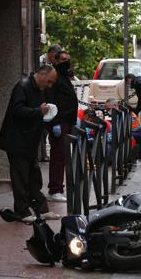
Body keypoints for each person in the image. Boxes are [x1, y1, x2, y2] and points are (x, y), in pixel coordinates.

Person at [0, 65, 59, 223]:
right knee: (21, 177)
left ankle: (41, 209)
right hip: (17, 141)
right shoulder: (22, 86)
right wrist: (39, 111)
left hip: (29, 141)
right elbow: (17, 110)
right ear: (42, 75)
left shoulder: (38, 89)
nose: (49, 85)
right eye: (49, 81)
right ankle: (22, 211)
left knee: (33, 176)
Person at [46, 52, 78, 202]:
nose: (66, 62)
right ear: (56, 60)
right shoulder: (55, 76)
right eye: (63, 59)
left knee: (62, 156)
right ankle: (54, 189)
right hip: (59, 121)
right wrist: (54, 123)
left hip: (67, 121)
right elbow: (51, 100)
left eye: (68, 59)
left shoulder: (64, 76)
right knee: (58, 156)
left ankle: (58, 187)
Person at [39, 46, 62, 162]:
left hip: (49, 99)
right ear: (51, 54)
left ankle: (43, 153)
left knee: (46, 131)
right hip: (43, 98)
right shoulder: (41, 61)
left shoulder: (53, 65)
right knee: (43, 130)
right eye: (56, 56)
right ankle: (42, 154)